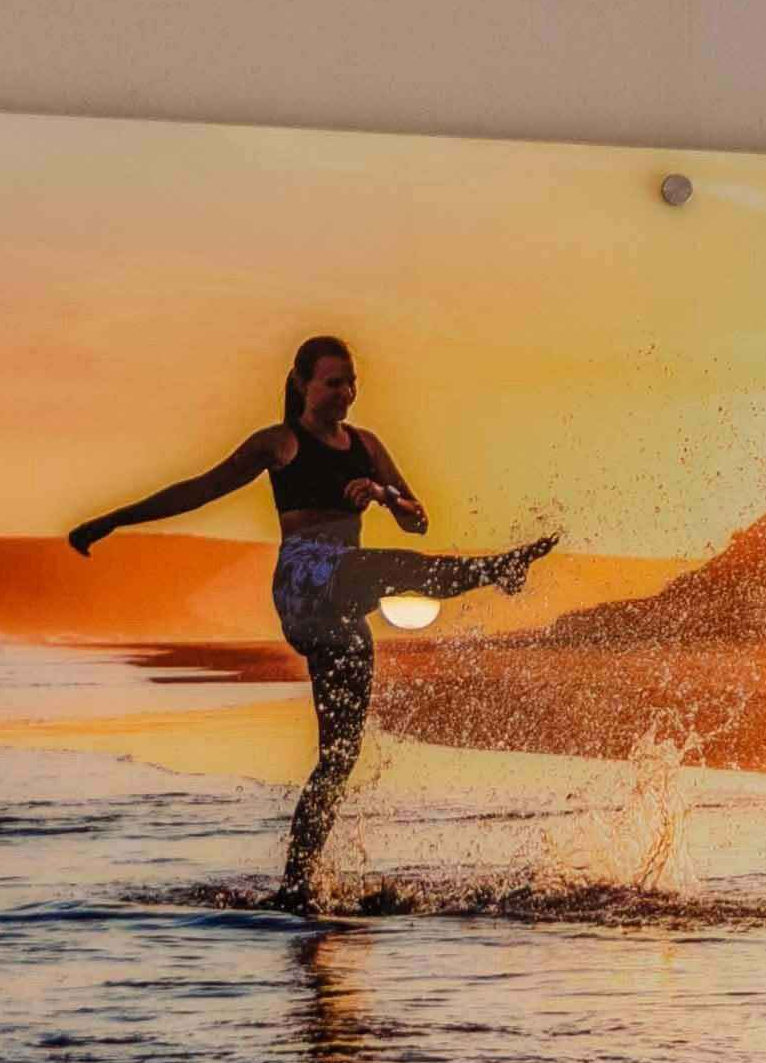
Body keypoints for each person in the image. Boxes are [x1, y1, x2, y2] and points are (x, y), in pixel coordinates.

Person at [70, 335, 550, 902]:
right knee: (387, 568)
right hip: (305, 581)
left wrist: (382, 493)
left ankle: (297, 885)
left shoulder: (366, 445)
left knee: (339, 757)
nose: (344, 392)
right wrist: (112, 521)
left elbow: (416, 519)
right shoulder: (280, 443)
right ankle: (496, 570)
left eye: (351, 382)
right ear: (302, 383)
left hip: (342, 607)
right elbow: (199, 490)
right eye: (332, 382)